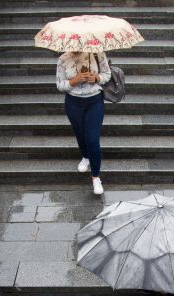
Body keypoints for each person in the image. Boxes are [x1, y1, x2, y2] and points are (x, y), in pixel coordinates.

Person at [56, 51, 111, 195]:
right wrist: (75, 80)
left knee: (93, 140)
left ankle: (95, 177)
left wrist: (96, 77)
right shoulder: (63, 58)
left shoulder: (97, 53)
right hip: (73, 103)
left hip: (94, 101)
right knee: (80, 135)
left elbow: (107, 74)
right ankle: (85, 156)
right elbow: (60, 85)